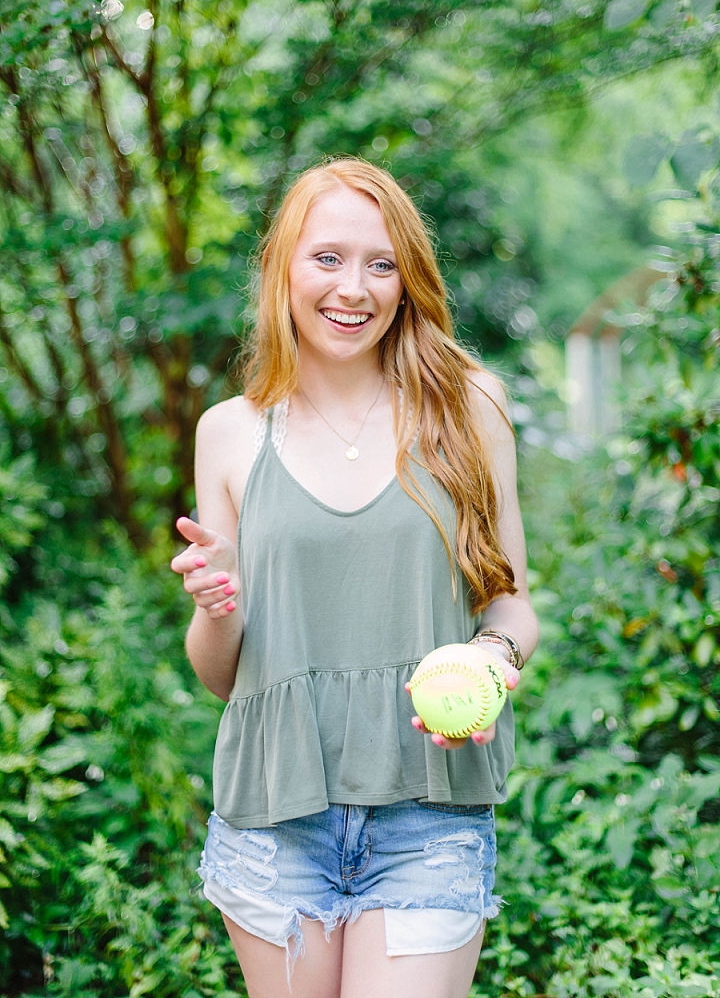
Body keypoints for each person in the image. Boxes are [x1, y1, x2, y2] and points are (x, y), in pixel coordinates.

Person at [171, 158, 539, 998]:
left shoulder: (470, 408)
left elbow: (511, 605)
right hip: (274, 819)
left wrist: (490, 658)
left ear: (407, 280)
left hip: (429, 807)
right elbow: (222, 675)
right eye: (327, 257)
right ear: (283, 270)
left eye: (381, 263)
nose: (355, 287)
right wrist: (215, 604)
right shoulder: (229, 434)